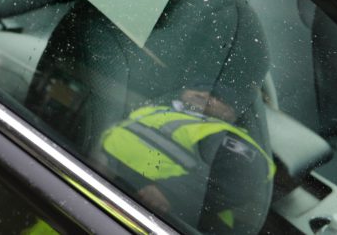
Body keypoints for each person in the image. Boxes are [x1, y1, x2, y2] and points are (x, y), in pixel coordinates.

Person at [95, 85, 275, 234]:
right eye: (198, 88)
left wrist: (170, 193)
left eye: (217, 97)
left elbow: (240, 179)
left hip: (161, 218)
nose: (203, 95)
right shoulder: (161, 109)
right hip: (105, 186)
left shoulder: (226, 135)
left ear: (231, 113)